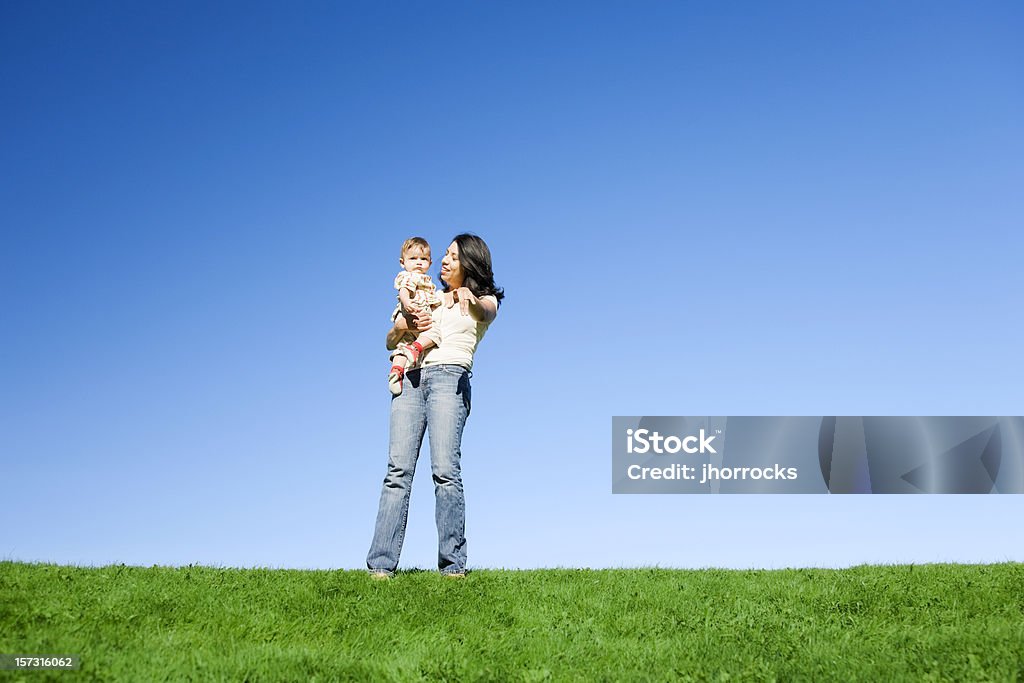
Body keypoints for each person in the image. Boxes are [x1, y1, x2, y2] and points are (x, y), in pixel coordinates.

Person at [367, 234, 504, 578]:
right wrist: (402, 327)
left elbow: (484, 312)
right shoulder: (428, 296)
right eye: (444, 255)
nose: (443, 260)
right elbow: (389, 339)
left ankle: (452, 566)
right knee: (397, 471)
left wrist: (469, 298)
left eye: (453, 257)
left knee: (445, 471)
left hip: (449, 378)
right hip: (411, 376)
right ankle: (381, 566)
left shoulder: (483, 299)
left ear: (470, 264)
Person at [387, 237, 442, 396]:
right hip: (414, 311)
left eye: (423, 259)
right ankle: (415, 348)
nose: (418, 263)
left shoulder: (425, 280)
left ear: (430, 263)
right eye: (413, 258)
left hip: (411, 314)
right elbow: (404, 290)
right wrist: (407, 302)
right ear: (402, 262)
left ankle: (396, 371)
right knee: (434, 333)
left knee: (402, 344)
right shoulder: (409, 276)